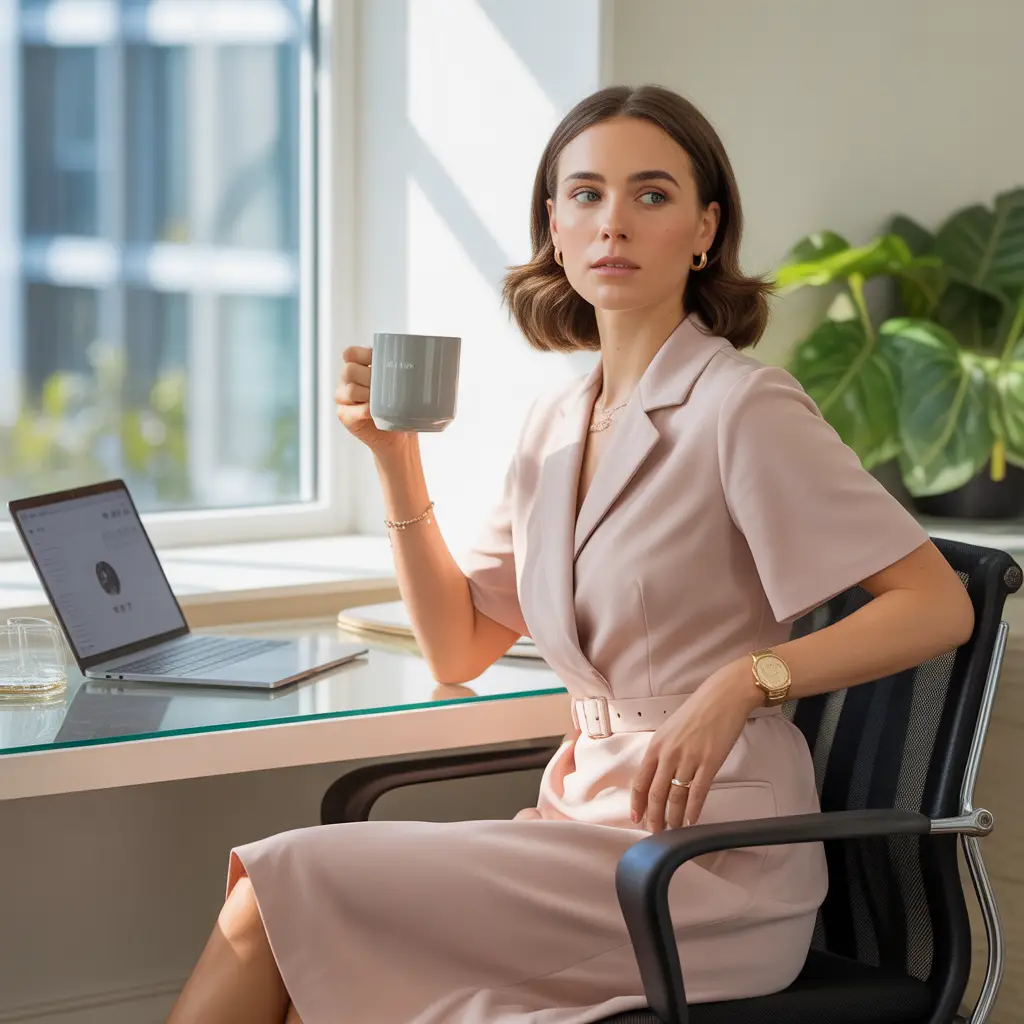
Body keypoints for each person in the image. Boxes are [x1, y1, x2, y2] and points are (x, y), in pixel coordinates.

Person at [167, 85, 974, 1024]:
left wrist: (747, 681)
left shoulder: (743, 407)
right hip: (579, 822)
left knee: (274, 897)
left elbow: (935, 604)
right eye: (585, 195)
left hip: (704, 859)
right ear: (553, 226)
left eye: (653, 195)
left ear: (705, 230)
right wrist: (395, 458)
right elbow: (459, 647)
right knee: (319, 975)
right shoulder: (557, 420)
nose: (613, 222)